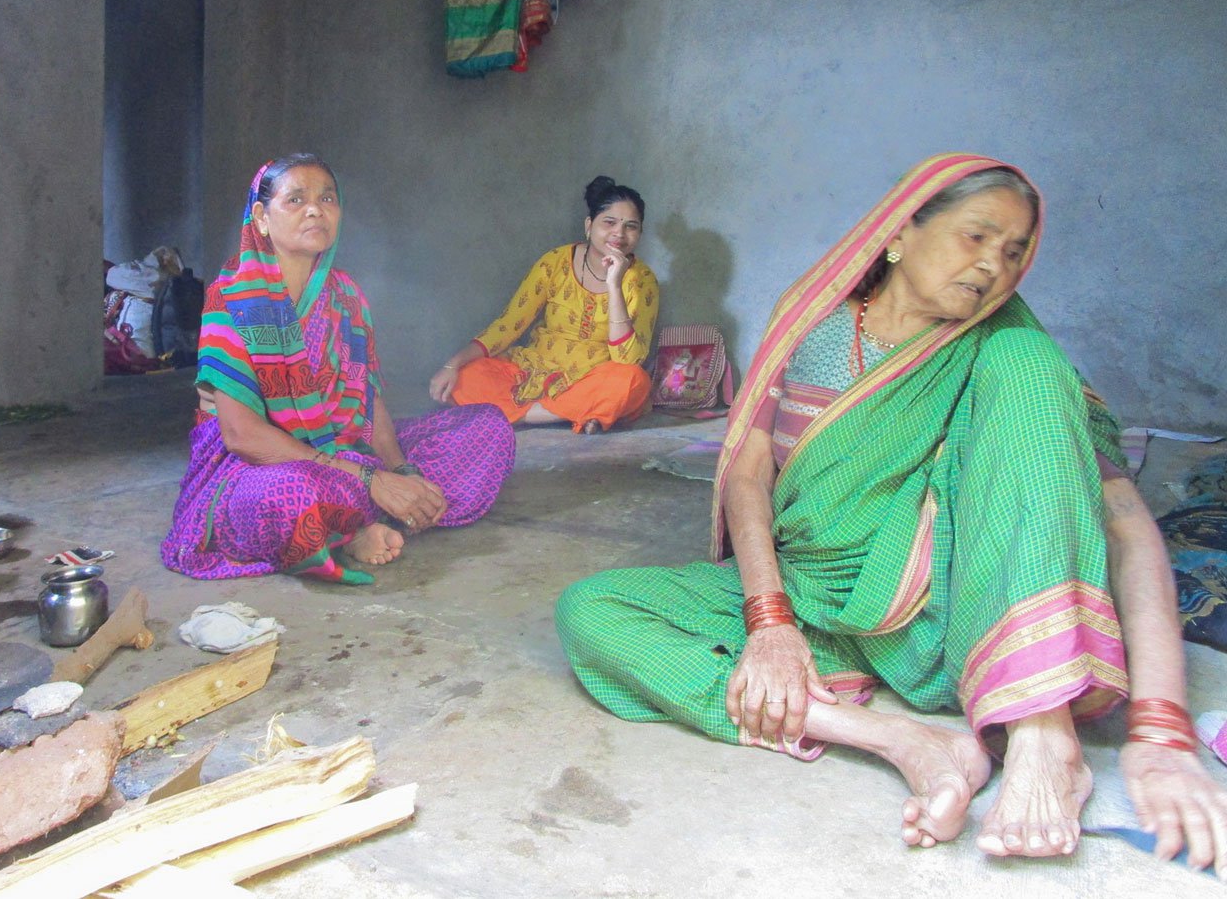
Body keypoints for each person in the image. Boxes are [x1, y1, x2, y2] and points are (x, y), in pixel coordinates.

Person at [557, 153, 1227, 871]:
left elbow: (1123, 521)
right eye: (976, 237)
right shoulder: (810, 323)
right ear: (901, 232)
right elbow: (748, 477)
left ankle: (1041, 728)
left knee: (1028, 364)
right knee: (590, 611)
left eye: (1013, 252)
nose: (993, 267)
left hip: (944, 619)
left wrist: (1161, 734)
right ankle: (902, 742)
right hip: (813, 605)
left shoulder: (1011, 354)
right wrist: (770, 622)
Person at [162, 154, 515, 584]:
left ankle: (360, 518)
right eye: (295, 199)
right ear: (261, 217)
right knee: (289, 496)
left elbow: (370, 403)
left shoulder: (346, 296)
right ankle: (352, 528)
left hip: (347, 454)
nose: (315, 209)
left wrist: (400, 471)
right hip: (260, 466)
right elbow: (242, 437)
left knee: (488, 428)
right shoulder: (232, 299)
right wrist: (371, 480)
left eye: (326, 198)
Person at [430, 176, 659, 434]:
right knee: (465, 377)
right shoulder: (555, 262)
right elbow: (508, 325)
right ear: (589, 225)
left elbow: (627, 359)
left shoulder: (643, 281)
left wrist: (614, 284)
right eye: (609, 222)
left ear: (639, 233)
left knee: (632, 381)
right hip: (534, 371)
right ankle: (564, 414)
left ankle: (514, 414)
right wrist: (453, 364)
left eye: (631, 226)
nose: (619, 233)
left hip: (591, 379)